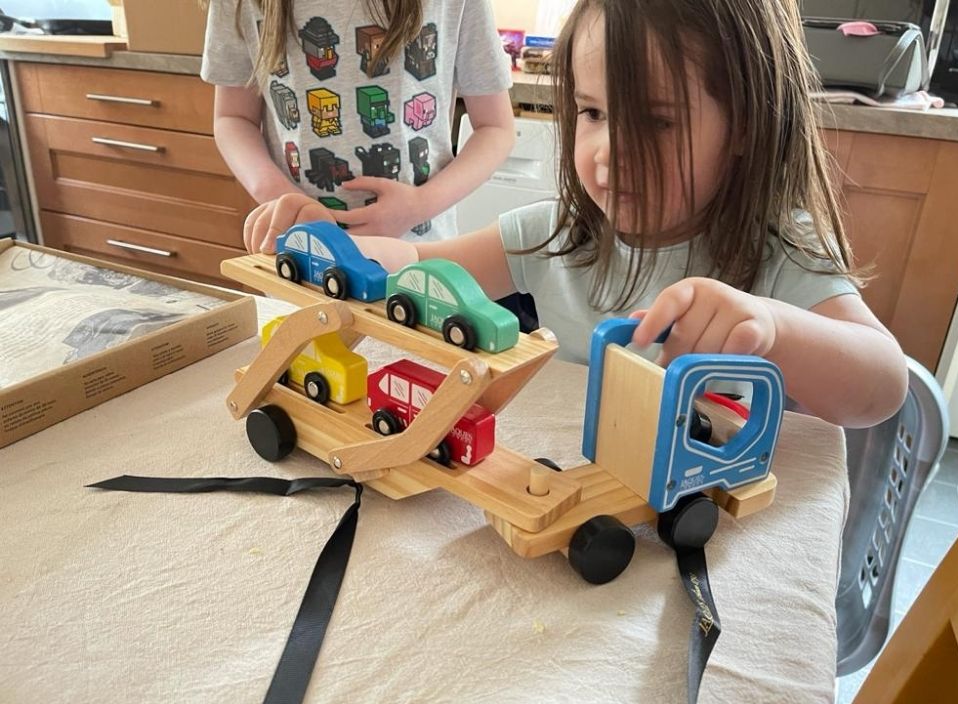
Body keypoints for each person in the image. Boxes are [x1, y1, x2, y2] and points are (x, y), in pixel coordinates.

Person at [245, 0, 908, 429]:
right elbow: (415, 266)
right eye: (592, 113)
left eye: (657, 121)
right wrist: (327, 242)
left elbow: (881, 388)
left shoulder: (777, 248)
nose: (608, 152)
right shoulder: (558, 234)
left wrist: (773, 326)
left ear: (745, 125)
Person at [201, 0, 515, 246]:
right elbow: (233, 118)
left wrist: (420, 204)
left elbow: (495, 129)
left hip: (421, 257)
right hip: (299, 250)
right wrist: (281, 197)